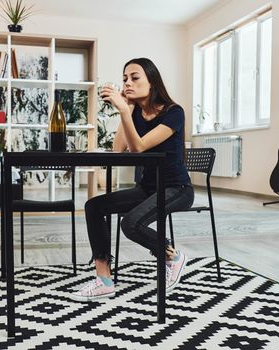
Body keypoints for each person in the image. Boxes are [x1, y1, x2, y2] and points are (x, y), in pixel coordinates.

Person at [70, 58, 194, 302]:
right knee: (94, 206)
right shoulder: (135, 112)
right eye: (125, 78)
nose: (127, 83)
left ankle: (172, 256)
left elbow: (137, 148)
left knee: (130, 224)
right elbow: (119, 150)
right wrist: (125, 110)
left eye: (135, 77)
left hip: (176, 188)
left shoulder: (174, 112)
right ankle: (104, 280)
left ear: (152, 81)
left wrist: (125, 109)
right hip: (147, 188)